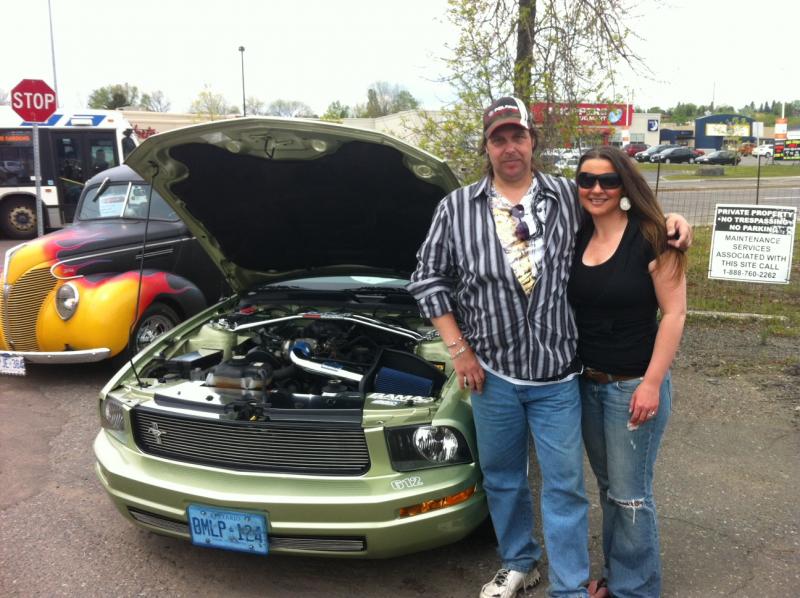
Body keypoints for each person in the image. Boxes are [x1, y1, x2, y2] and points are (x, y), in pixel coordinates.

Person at [408, 97, 691, 598]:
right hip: (491, 376)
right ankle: (519, 562)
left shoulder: (567, 196)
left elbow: (621, 217)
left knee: (565, 487)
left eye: (518, 136)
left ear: (533, 142)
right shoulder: (456, 209)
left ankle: (570, 584)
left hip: (559, 378)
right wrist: (459, 350)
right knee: (502, 478)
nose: (510, 147)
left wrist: (672, 225)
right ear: (487, 146)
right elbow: (428, 280)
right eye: (499, 138)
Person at [568, 146, 687, 598]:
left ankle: (636, 590)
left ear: (624, 186)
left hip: (633, 386)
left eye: (608, 180)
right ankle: (621, 579)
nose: (596, 189)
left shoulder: (654, 236)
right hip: (587, 383)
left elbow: (674, 315)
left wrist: (652, 383)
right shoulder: (577, 235)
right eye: (587, 180)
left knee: (631, 494)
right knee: (609, 488)